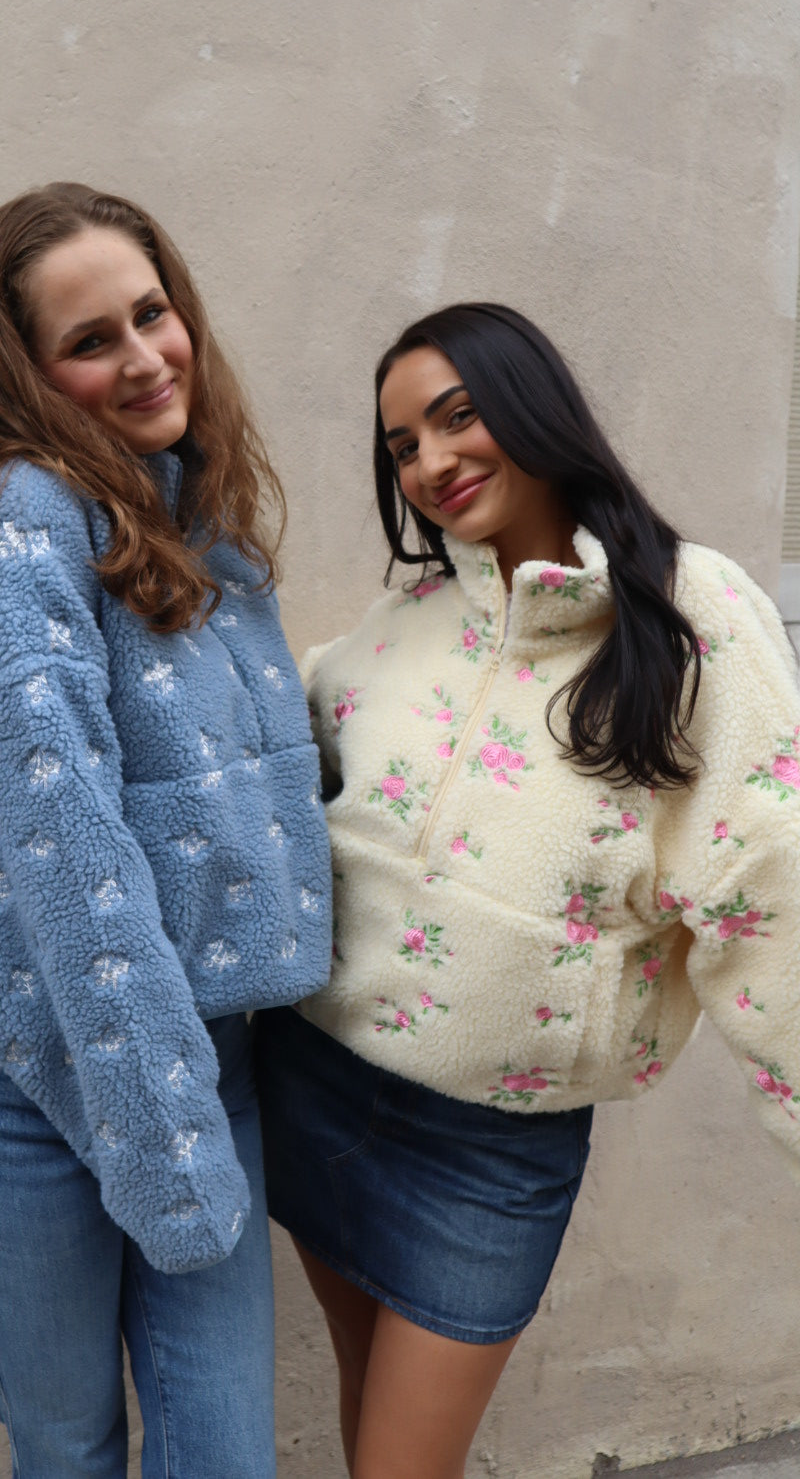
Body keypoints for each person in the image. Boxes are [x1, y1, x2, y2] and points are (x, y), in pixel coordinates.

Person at [255, 302, 800, 1479]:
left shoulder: (693, 612)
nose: (432, 461)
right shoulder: (409, 619)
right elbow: (291, 727)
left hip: (491, 1153)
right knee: (366, 1417)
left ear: (535, 405)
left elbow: (769, 892)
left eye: (458, 416)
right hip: (318, 1083)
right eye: (404, 445)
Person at [0, 182, 331, 1479]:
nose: (143, 357)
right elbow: (59, 841)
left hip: (201, 1056)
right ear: (21, 376)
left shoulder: (195, 514)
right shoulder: (28, 518)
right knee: (70, 1451)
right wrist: (162, 1131)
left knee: (221, 1451)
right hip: (21, 1070)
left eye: (151, 312)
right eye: (90, 341)